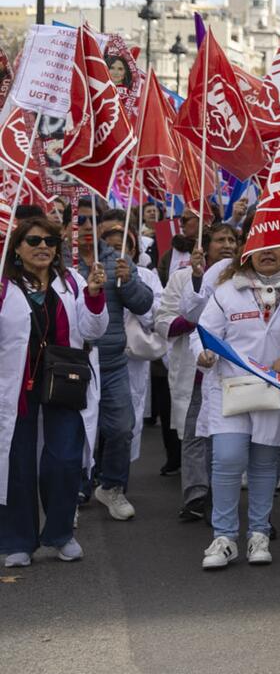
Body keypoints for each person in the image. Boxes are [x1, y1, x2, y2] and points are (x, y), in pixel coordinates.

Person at [191, 243, 280, 569]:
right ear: (247, 252)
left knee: (266, 464)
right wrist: (203, 353)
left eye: (277, 247)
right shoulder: (227, 290)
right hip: (230, 388)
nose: (269, 253)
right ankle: (224, 537)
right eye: (261, 247)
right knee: (228, 457)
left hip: (276, 391)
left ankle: (259, 534)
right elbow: (203, 333)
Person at [0, 212, 107, 567]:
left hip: (63, 384)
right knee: (18, 464)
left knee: (63, 460)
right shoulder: (3, 287)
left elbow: (93, 330)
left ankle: (61, 533)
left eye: (50, 241)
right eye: (34, 241)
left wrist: (94, 296)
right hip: (16, 387)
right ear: (17, 248)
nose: (43, 247)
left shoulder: (72, 282)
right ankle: (18, 540)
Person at [156, 223, 238, 523]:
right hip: (195, 369)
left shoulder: (242, 278)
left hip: (228, 368)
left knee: (223, 434)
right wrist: (198, 323)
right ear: (204, 246)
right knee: (193, 434)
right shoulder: (182, 278)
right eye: (219, 240)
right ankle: (195, 495)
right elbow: (163, 320)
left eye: (232, 239)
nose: (227, 245)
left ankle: (220, 494)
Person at [86, 211, 154, 522]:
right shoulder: (56, 261)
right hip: (72, 364)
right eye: (80, 220)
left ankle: (111, 486)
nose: (86, 226)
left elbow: (143, 304)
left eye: (90, 220)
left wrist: (127, 282)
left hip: (112, 362)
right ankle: (72, 490)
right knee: (74, 435)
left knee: (121, 429)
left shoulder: (118, 260)